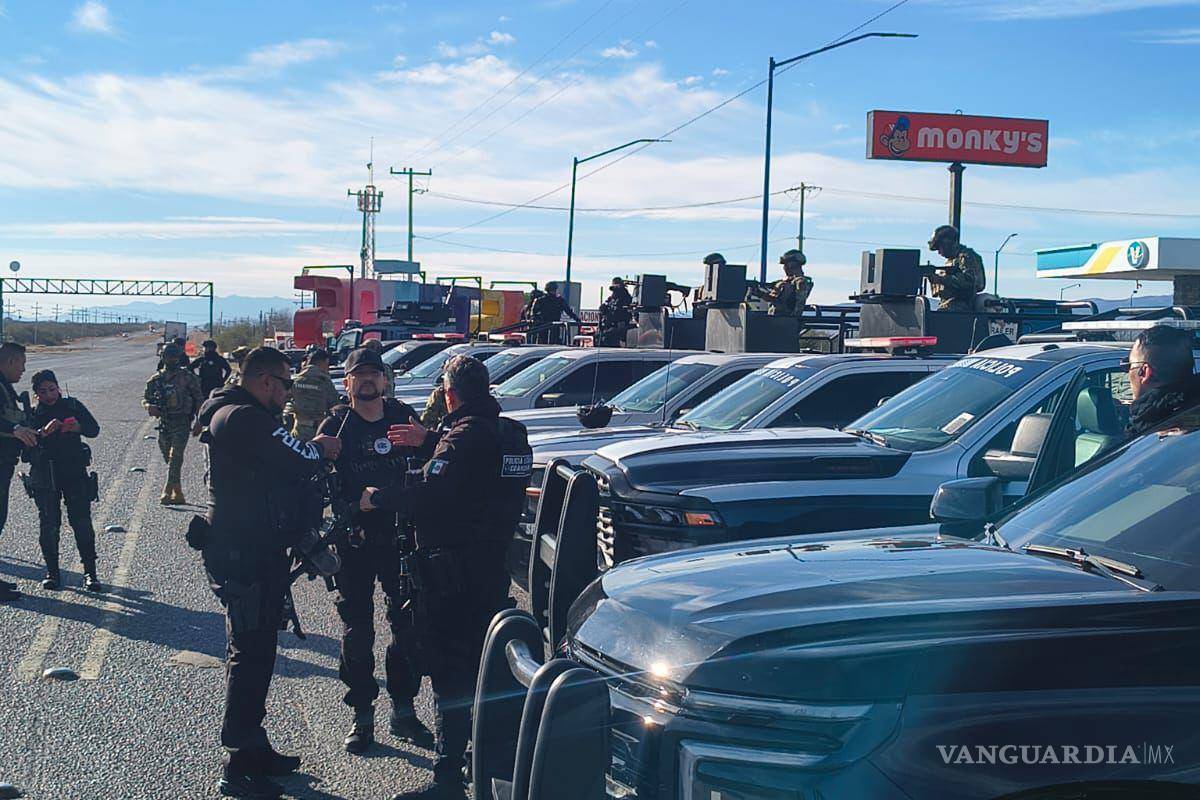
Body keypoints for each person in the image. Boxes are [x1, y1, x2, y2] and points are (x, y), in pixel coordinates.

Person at [360, 355, 532, 800]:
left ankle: (447, 779)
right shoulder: (512, 434)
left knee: (451, 677)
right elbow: (476, 473)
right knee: (485, 670)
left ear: (450, 393)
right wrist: (430, 441)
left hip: (451, 575)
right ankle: (486, 761)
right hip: (492, 570)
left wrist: (376, 498)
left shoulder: (463, 438)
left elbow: (427, 493)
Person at [196, 346, 343, 799]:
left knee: (258, 654)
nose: (288, 394)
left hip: (254, 548)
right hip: (243, 553)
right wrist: (320, 448)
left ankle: (254, 750)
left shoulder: (235, 411)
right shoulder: (242, 418)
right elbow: (299, 457)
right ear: (264, 381)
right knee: (249, 655)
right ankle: (238, 763)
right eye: (285, 384)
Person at [316, 348, 428, 754]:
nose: (366, 381)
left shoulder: (403, 416)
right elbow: (313, 479)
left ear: (384, 380)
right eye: (358, 375)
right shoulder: (336, 424)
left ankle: (404, 711)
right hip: (355, 543)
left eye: (373, 374)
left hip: (401, 540)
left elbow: (432, 467)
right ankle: (362, 715)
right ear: (346, 383)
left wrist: (425, 442)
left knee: (407, 629)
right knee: (357, 633)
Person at [28, 370, 102, 592]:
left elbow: (94, 429)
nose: (49, 395)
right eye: (43, 391)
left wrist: (76, 427)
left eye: (52, 389)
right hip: (46, 474)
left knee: (81, 523)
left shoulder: (73, 406)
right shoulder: (32, 414)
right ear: (36, 394)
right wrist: (42, 432)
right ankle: (52, 572)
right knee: (49, 525)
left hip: (74, 471)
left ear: (58, 387)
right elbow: (24, 445)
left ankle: (90, 573)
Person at [0, 342, 38, 602]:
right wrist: (14, 429)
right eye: (22, 364)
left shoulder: (5, 388)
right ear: (11, 361)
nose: (24, 369)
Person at [143, 342, 204, 505]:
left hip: (182, 421)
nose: (172, 359)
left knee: (175, 456)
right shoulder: (156, 380)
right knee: (168, 457)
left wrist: (200, 421)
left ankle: (167, 491)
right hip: (164, 423)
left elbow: (199, 398)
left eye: (174, 356)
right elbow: (146, 398)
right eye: (168, 356)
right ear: (163, 358)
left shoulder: (187, 377)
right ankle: (178, 491)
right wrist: (149, 406)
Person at [1126, 325, 1200, 435]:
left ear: (1145, 372)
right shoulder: (1191, 415)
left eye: (1129, 365)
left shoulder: (1150, 428)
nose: (1127, 372)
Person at [284, 349, 341, 441]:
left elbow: (285, 405)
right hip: (318, 431)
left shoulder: (295, 380)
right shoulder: (325, 381)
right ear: (325, 362)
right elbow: (336, 406)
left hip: (298, 430)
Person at [927, 225, 986, 311]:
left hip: (962, 305)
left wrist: (941, 279)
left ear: (948, 243)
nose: (939, 252)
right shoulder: (951, 261)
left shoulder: (966, 257)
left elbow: (970, 281)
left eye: (940, 247)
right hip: (948, 304)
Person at [765, 249, 814, 317]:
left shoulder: (800, 282)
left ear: (791, 265)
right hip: (775, 319)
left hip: (785, 321)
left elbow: (797, 306)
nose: (784, 268)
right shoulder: (785, 281)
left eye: (785, 265)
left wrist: (793, 320)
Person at [597, 277, 633, 347]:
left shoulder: (626, 298)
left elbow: (623, 314)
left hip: (618, 328)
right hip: (607, 327)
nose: (615, 290)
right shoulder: (611, 298)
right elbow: (603, 308)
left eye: (617, 287)